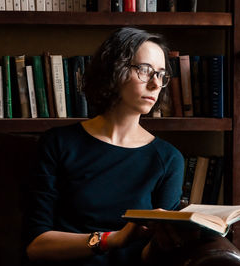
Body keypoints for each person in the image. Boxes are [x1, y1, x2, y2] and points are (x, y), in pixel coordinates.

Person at [24, 27, 185, 266]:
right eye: (145, 70)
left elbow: (152, 257)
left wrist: (173, 241)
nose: (155, 84)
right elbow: (35, 246)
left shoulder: (168, 159)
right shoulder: (58, 143)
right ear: (114, 69)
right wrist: (111, 239)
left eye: (161, 75)